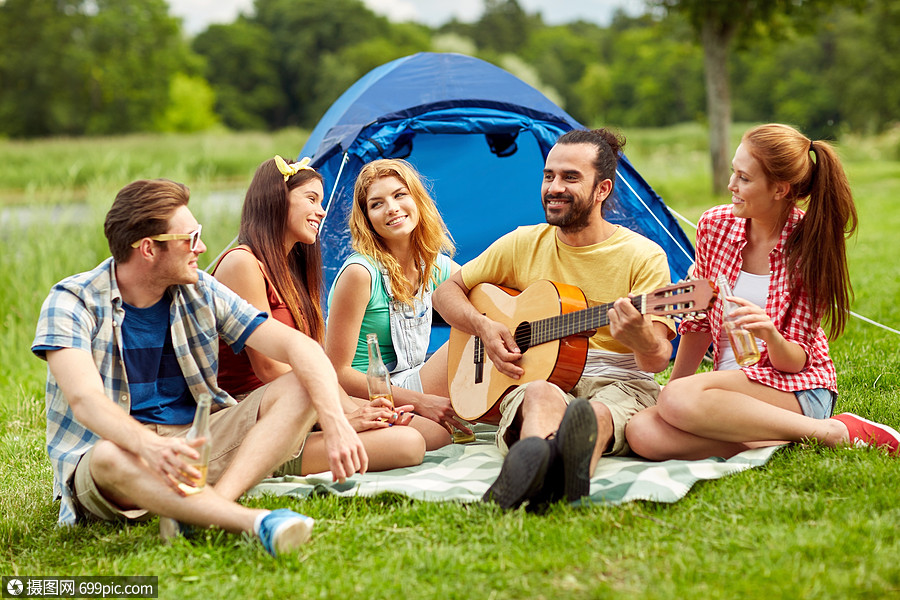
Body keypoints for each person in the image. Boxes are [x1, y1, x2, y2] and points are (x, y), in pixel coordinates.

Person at [32, 178, 367, 558]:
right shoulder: (71, 301)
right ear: (148, 249)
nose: (203, 248)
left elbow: (297, 347)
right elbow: (86, 402)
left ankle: (208, 507)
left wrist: (336, 420)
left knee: (303, 381)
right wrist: (150, 446)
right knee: (111, 454)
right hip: (116, 457)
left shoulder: (201, 289)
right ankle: (251, 521)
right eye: (190, 239)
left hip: (194, 443)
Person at [432, 128, 677, 510]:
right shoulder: (522, 243)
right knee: (539, 395)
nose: (554, 187)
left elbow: (656, 360)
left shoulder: (643, 257)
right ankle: (538, 465)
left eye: (570, 177)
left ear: (602, 189)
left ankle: (553, 474)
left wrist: (639, 336)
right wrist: (483, 326)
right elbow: (445, 292)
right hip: (539, 375)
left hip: (620, 378)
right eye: (549, 176)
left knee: (594, 413)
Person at [624, 123, 900, 460]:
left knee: (678, 400)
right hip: (725, 390)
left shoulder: (808, 245)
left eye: (744, 178)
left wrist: (770, 334)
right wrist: (672, 388)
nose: (731, 185)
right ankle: (774, 439)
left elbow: (796, 362)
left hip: (795, 387)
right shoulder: (715, 226)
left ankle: (830, 430)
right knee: (643, 433)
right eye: (733, 173)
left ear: (780, 189)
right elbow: (698, 324)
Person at [211, 156, 426, 473]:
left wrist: (358, 411)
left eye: (321, 201)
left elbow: (317, 365)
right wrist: (344, 416)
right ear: (276, 201)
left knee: (423, 431)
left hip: (303, 404)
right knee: (407, 443)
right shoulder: (241, 264)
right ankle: (265, 462)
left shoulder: (293, 272)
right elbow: (270, 368)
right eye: (311, 199)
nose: (322, 211)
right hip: (254, 416)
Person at [325, 158, 470, 450]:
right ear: (367, 219)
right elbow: (337, 371)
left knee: (484, 324)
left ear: (417, 199)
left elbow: (487, 294)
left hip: (410, 378)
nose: (391, 207)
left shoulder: (435, 265)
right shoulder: (360, 273)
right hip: (365, 394)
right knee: (435, 436)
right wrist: (421, 402)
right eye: (377, 204)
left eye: (399, 195)